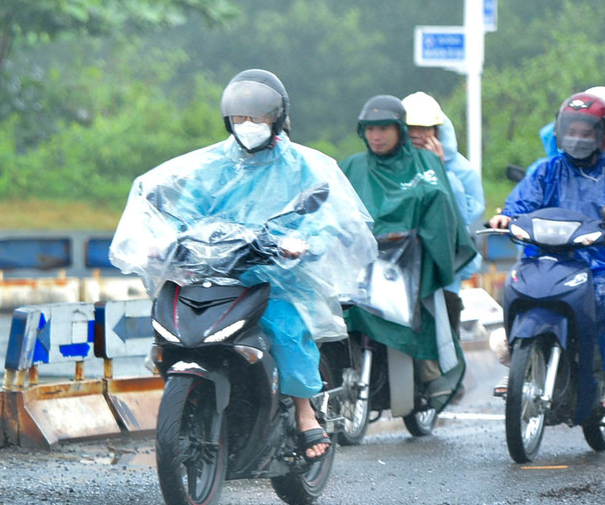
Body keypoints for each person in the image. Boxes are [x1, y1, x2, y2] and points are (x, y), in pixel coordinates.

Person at [109, 69, 376, 460]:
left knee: (286, 332)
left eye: (257, 117)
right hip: (213, 272)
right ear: (228, 120)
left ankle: (305, 413)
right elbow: (184, 208)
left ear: (278, 119)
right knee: (173, 326)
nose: (248, 125)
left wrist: (300, 244)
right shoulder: (210, 165)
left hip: (276, 277)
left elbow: (328, 217)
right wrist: (161, 241)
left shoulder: (305, 165)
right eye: (240, 118)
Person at [490, 92, 605, 411]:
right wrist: (506, 216)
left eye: (586, 133)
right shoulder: (546, 169)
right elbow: (522, 200)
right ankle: (518, 363)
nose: (577, 139)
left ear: (603, 136)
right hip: (548, 258)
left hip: (601, 264)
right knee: (516, 285)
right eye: (571, 132)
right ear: (559, 132)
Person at [340, 95, 476, 412]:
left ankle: (432, 376)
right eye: (370, 129)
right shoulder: (352, 166)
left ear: (399, 129)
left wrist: (424, 248)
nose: (376, 135)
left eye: (384, 128)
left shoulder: (427, 164)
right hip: (360, 265)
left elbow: (444, 210)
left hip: (410, 265)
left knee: (428, 312)